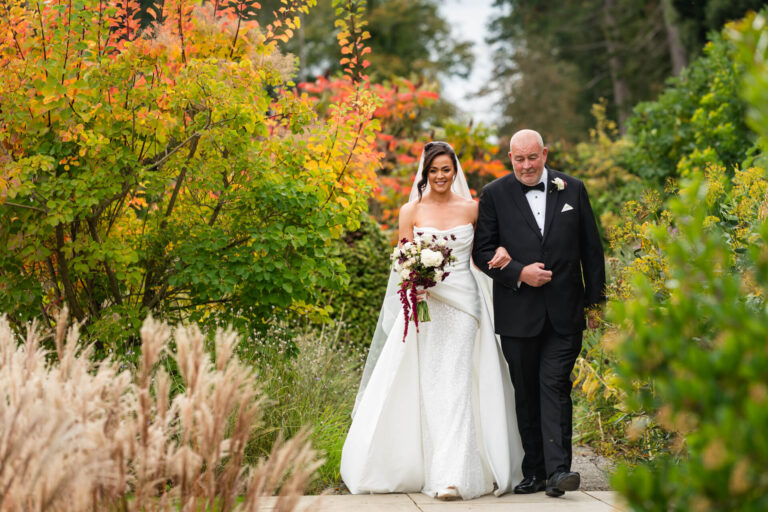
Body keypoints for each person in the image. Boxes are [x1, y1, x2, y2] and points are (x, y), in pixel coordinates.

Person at [340, 141, 524, 500]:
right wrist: (414, 284)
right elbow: (402, 260)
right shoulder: (410, 211)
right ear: (424, 174)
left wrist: (503, 251)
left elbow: (487, 251)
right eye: (433, 170)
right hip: (426, 307)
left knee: (455, 383)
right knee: (430, 385)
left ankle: (453, 477)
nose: (440, 176)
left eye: (446, 169)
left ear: (455, 171)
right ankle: (425, 465)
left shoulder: (473, 208)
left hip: (464, 304)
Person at [472, 129, 606, 498]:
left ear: (544, 154)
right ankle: (534, 471)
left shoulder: (573, 189)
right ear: (510, 158)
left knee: (555, 386)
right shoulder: (494, 194)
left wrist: (596, 304)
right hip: (518, 313)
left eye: (533, 157)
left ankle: (560, 470)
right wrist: (519, 272)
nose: (527, 165)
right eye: (519, 159)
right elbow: (482, 252)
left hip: (566, 311)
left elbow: (591, 250)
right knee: (527, 392)